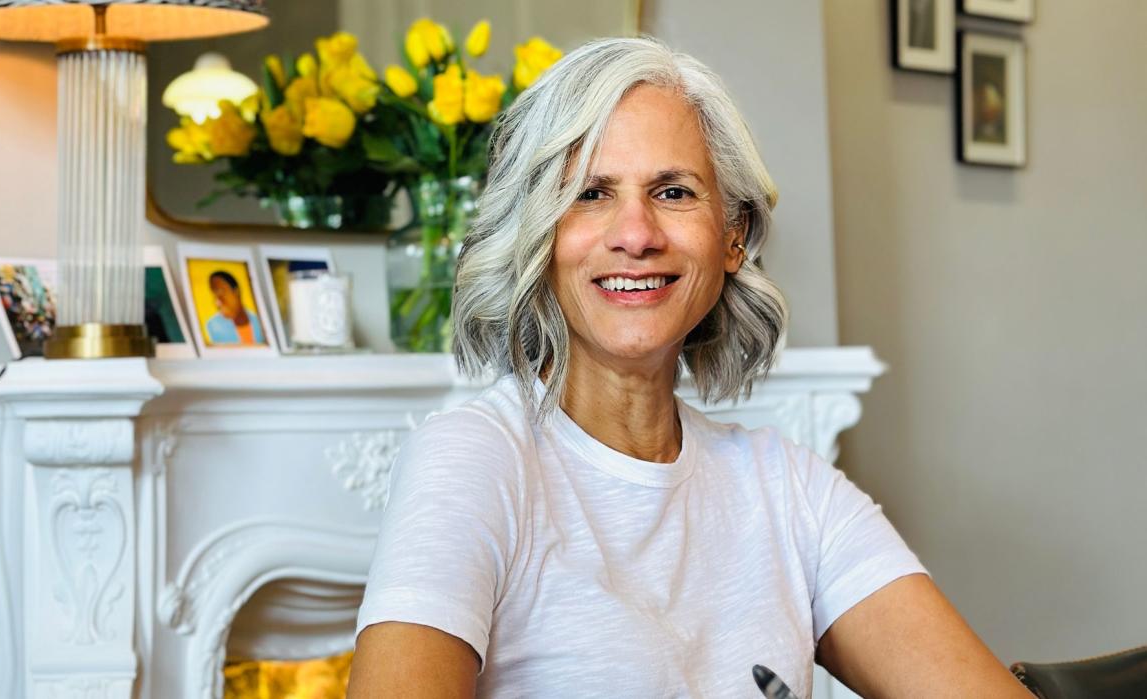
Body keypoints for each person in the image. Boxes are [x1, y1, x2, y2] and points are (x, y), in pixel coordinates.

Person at [349, 37, 1030, 698]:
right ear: (539, 235)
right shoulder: (474, 460)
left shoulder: (789, 489)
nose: (636, 233)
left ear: (732, 236)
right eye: (591, 193)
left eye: (673, 192)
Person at [205, 270, 264, 345]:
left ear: (236, 291)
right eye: (215, 295)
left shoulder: (260, 321)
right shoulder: (213, 325)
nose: (217, 302)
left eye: (221, 292)